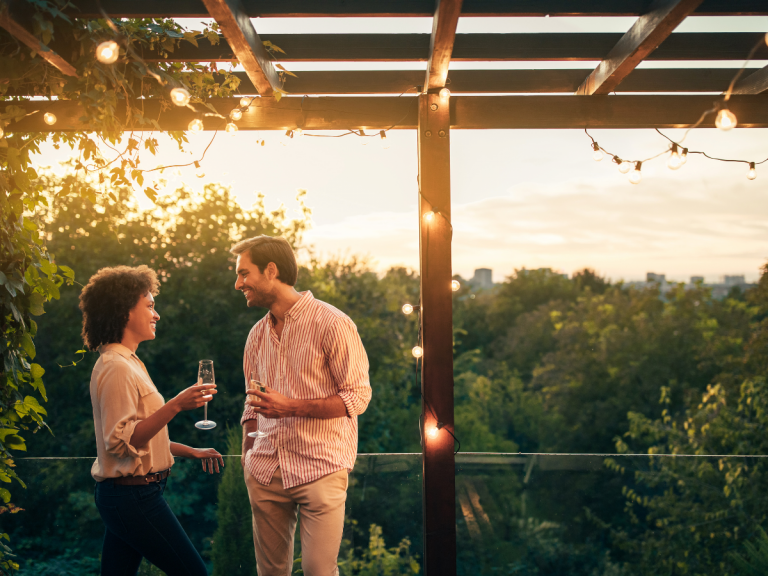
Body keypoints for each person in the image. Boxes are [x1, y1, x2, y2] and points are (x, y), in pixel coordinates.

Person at [231, 236, 372, 576]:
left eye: (243, 273)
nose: (238, 284)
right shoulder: (256, 336)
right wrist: (249, 456)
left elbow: (357, 397)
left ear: (271, 270)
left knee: (319, 572)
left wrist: (290, 407)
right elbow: (252, 406)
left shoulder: (333, 323)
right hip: (265, 472)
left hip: (320, 469)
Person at [81, 265, 224, 576]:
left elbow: (143, 437)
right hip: (133, 497)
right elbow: (121, 443)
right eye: (149, 305)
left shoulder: (128, 362)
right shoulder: (116, 367)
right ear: (124, 311)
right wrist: (175, 405)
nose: (156, 314)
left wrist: (191, 451)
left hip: (132, 495)